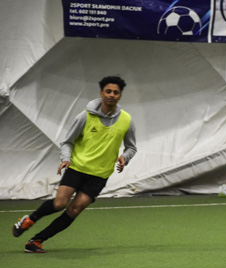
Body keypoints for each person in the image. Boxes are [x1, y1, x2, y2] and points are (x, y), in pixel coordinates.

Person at [12, 76, 137, 252]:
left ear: (120, 96)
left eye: (115, 92)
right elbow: (67, 142)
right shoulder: (84, 116)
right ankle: (29, 220)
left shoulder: (127, 120)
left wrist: (125, 157)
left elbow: (132, 147)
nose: (111, 95)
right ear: (101, 93)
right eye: (108, 91)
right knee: (59, 204)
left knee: (74, 211)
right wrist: (66, 159)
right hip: (77, 168)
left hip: (99, 176)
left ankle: (36, 241)